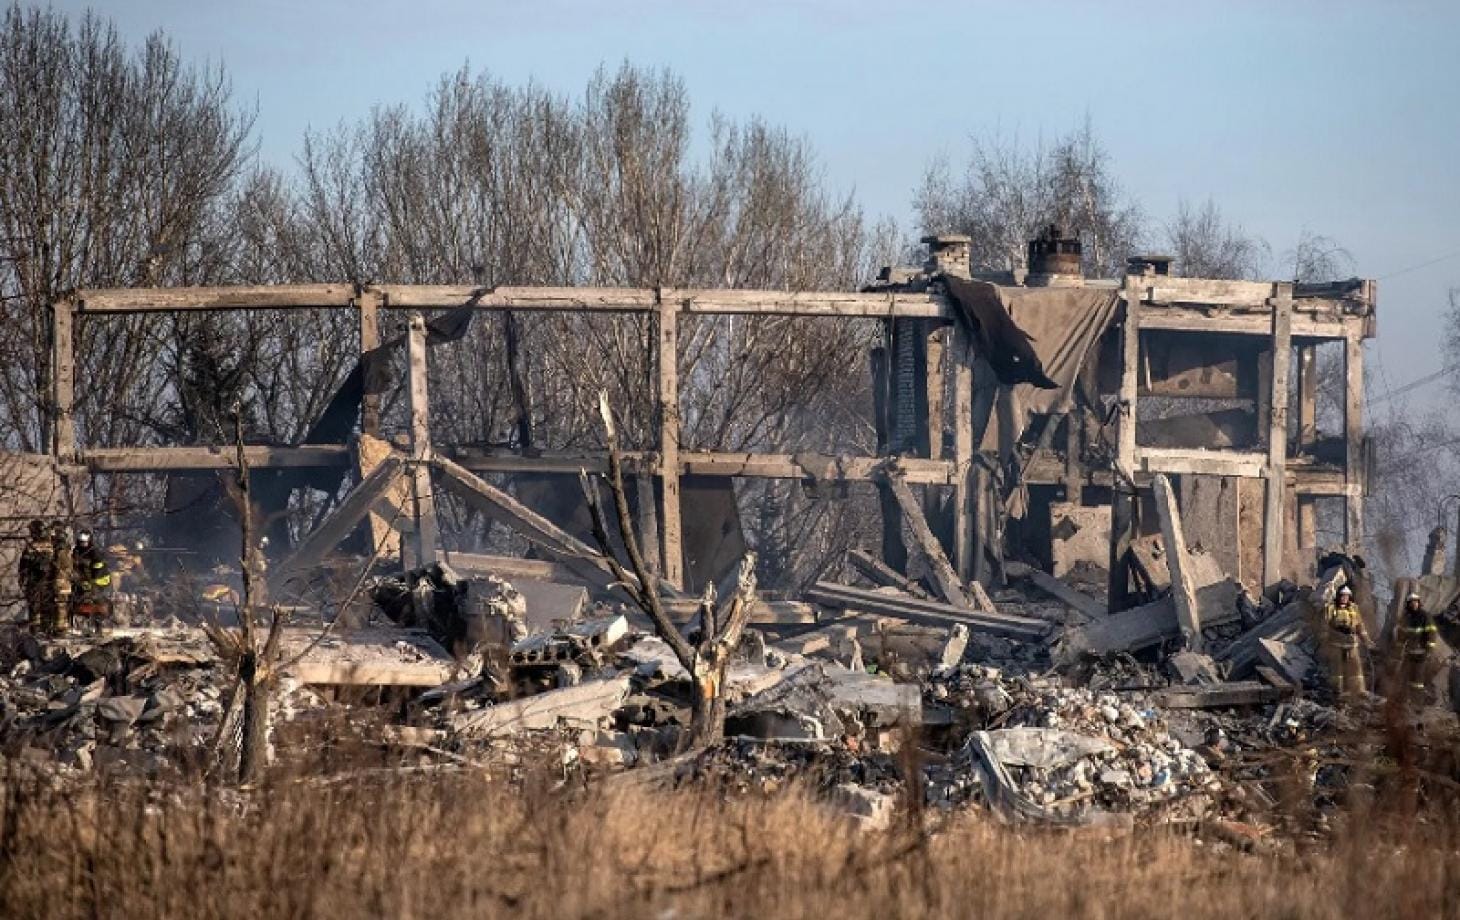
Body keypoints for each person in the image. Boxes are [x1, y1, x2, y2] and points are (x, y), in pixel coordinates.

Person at [1324, 584, 1372, 699]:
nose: (1344, 598)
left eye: (1346, 596)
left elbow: (1360, 626)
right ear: (1338, 596)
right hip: (1336, 644)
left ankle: (1359, 690)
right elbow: (1325, 626)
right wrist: (1338, 630)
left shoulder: (1354, 608)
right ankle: (1337, 692)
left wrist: (1367, 641)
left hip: (1352, 644)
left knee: (1356, 668)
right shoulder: (1331, 608)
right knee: (1337, 671)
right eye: (1342, 596)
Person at [1394, 591, 1439, 704]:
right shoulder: (1406, 617)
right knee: (1403, 677)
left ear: (1419, 603)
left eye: (1416, 602)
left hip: (1421, 654)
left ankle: (1417, 704)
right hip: (1409, 653)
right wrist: (1398, 651)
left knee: (1417, 681)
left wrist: (1428, 651)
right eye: (1412, 602)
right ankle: (1403, 701)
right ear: (1408, 604)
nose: (1414, 604)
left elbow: (1432, 634)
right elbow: (1401, 637)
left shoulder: (1425, 616)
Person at [70, 528, 111, 632]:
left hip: (100, 580)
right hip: (84, 580)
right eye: (80, 542)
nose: (82, 544)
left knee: (96, 600)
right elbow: (75, 566)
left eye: (84, 542)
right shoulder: (76, 551)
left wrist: (90, 583)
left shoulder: (94, 552)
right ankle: (77, 623)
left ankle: (99, 626)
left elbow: (98, 571)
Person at [17, 519, 54, 633]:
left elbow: (24, 566)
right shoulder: (52, 545)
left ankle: (36, 630)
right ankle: (47, 628)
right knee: (47, 606)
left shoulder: (31, 546)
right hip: (49, 582)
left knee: (35, 607)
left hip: (35, 582)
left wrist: (22, 580)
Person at [48, 521, 73, 636]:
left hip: (61, 581)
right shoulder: (63, 548)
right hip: (62, 581)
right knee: (59, 604)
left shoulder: (61, 549)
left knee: (60, 605)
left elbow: (63, 565)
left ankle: (61, 629)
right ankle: (58, 628)